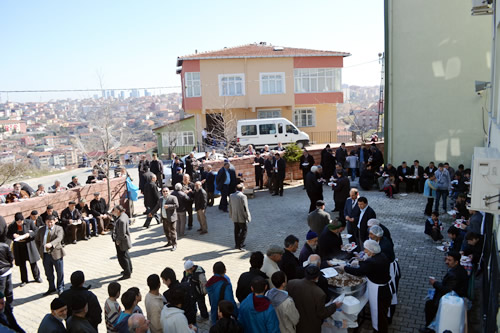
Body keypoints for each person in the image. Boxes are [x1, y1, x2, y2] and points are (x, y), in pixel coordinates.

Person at [341, 240, 392, 333]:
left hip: (378, 292)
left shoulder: (372, 262)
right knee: (382, 313)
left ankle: (379, 330)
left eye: (366, 249)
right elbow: (369, 265)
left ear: (372, 251)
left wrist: (344, 268)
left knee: (378, 313)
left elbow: (359, 272)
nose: (364, 251)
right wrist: (362, 261)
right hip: (385, 288)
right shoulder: (382, 256)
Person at [421, 251, 468, 331]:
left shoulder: (454, 275)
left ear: (456, 262)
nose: (446, 262)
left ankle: (429, 328)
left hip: (452, 299)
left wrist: (435, 283)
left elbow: (446, 290)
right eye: (446, 259)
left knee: (430, 305)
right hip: (454, 296)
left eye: (449, 260)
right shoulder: (458, 270)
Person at [287, 265, 340, 333]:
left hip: (296, 323)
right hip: (311, 327)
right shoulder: (319, 294)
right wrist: (334, 306)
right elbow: (321, 314)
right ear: (317, 277)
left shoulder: (291, 283)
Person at [7, 212, 42, 287]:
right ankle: (24, 280)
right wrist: (13, 235)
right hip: (19, 247)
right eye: (17, 222)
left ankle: (37, 277)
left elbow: (36, 231)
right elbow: (8, 234)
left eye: (21, 221)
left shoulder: (29, 222)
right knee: (22, 265)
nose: (19, 223)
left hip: (28, 245)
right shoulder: (12, 226)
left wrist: (29, 234)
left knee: (33, 263)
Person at [35, 215, 65, 296]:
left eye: (51, 222)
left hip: (56, 254)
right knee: (48, 273)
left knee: (59, 272)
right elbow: (37, 240)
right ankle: (51, 288)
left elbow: (59, 238)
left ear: (54, 221)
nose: (49, 224)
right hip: (45, 255)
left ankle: (60, 287)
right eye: (48, 222)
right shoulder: (41, 230)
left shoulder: (59, 228)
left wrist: (51, 244)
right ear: (45, 222)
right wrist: (40, 250)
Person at [111, 205, 132, 280]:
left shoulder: (121, 220)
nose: (114, 212)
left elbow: (122, 234)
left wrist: (118, 241)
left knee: (123, 257)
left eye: (115, 210)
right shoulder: (124, 215)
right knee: (126, 255)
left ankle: (127, 273)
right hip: (125, 240)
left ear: (119, 211)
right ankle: (129, 269)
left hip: (122, 242)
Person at [229, 184, 251, 250]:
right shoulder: (243, 196)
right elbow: (245, 208)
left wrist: (231, 215)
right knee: (244, 230)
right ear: (242, 189)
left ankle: (236, 244)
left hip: (235, 216)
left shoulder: (231, 196)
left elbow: (230, 206)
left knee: (236, 230)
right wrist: (247, 217)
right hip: (241, 216)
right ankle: (240, 244)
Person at [0, 239, 13, 305]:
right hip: (7, 270)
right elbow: (11, 257)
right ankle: (9, 305)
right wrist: (10, 265)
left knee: (1, 292)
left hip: (2, 273)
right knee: (9, 290)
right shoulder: (5, 246)